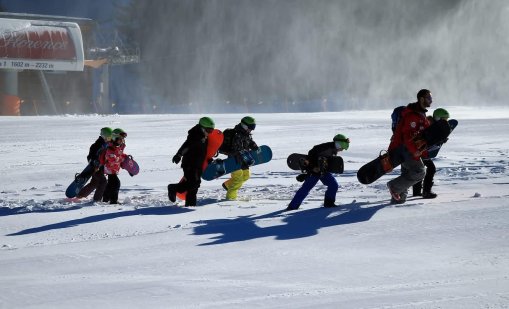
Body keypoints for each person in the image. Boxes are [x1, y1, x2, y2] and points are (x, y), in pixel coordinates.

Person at [387, 89, 433, 204]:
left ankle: (398, 200)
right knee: (419, 172)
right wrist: (415, 152)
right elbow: (407, 136)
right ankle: (394, 186)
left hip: (407, 150)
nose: (431, 100)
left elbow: (424, 136)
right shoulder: (412, 115)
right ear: (421, 99)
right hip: (406, 151)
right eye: (429, 98)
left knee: (407, 175)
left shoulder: (421, 114)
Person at [286, 134, 350, 210]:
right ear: (339, 144)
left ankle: (329, 204)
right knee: (306, 188)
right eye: (342, 148)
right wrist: (313, 167)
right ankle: (292, 207)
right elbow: (311, 153)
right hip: (314, 172)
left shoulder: (333, 149)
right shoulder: (325, 148)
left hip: (323, 171)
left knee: (333, 185)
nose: (342, 150)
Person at [168, 117, 215, 207]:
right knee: (193, 184)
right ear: (202, 127)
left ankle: (187, 202)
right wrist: (179, 154)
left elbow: (202, 151)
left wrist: (207, 159)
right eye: (209, 130)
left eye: (211, 131)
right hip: (190, 164)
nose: (210, 133)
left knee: (195, 184)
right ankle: (188, 204)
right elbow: (186, 146)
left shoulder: (204, 136)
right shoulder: (195, 136)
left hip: (198, 164)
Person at [412, 108, 450, 199]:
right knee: (431, 168)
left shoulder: (432, 124)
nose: (446, 121)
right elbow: (429, 140)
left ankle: (417, 191)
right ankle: (426, 192)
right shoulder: (432, 125)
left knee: (420, 169)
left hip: (419, 151)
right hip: (420, 151)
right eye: (444, 119)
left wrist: (441, 140)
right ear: (438, 118)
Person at [219, 116, 259, 200]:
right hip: (234, 160)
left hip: (244, 159)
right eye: (251, 127)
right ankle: (230, 199)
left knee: (246, 176)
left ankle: (227, 185)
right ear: (244, 126)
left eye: (253, 127)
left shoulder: (246, 134)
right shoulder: (235, 134)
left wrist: (254, 146)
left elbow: (249, 142)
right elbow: (233, 149)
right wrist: (234, 153)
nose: (252, 129)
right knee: (238, 179)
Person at [76, 127, 112, 201]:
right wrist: (95, 165)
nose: (110, 139)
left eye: (110, 137)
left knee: (94, 183)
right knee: (103, 182)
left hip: (101, 167)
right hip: (96, 168)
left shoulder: (106, 144)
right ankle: (96, 200)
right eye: (108, 137)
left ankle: (80, 195)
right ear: (104, 136)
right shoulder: (97, 145)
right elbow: (91, 157)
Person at [101, 128, 128, 204]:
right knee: (116, 183)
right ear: (114, 138)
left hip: (113, 170)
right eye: (120, 139)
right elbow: (112, 159)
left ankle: (105, 199)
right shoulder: (110, 148)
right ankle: (113, 201)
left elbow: (119, 154)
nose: (121, 141)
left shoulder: (116, 147)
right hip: (110, 169)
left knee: (110, 184)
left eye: (122, 139)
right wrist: (121, 158)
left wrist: (125, 156)